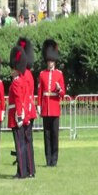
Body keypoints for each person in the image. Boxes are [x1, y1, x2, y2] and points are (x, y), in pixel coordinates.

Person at [37, 39, 66, 167]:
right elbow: (40, 91)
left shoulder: (59, 74)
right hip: (45, 108)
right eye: (49, 61)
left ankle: (54, 159)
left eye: (52, 61)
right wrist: (39, 105)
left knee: (55, 135)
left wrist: (59, 89)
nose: (50, 63)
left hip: (54, 107)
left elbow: (62, 93)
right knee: (47, 136)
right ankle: (48, 159)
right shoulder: (42, 74)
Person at [8, 46, 29, 179]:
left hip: (16, 116)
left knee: (19, 145)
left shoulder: (16, 82)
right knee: (22, 144)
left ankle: (21, 172)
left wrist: (19, 116)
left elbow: (19, 100)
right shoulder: (22, 80)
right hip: (20, 115)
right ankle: (24, 170)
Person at [17, 37, 36, 178]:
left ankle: (27, 169)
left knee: (25, 143)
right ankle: (29, 169)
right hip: (27, 112)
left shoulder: (26, 75)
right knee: (26, 142)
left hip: (26, 112)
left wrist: (26, 116)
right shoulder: (26, 73)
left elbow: (27, 96)